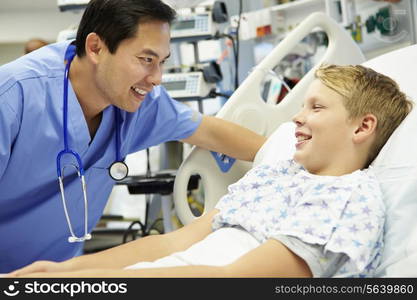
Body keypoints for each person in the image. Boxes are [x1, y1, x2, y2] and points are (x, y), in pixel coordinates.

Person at [7, 64, 413, 278]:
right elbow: (173, 244)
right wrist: (66, 271)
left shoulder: (344, 200)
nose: (296, 120)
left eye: (316, 108)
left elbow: (238, 280)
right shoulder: (275, 175)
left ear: (363, 127)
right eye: (302, 106)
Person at [0, 0, 267, 273]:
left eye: (162, 62)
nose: (157, 78)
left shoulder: (140, 103)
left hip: (57, 273)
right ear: (96, 48)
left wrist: (286, 161)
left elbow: (211, 131)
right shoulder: (13, 96)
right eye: (146, 60)